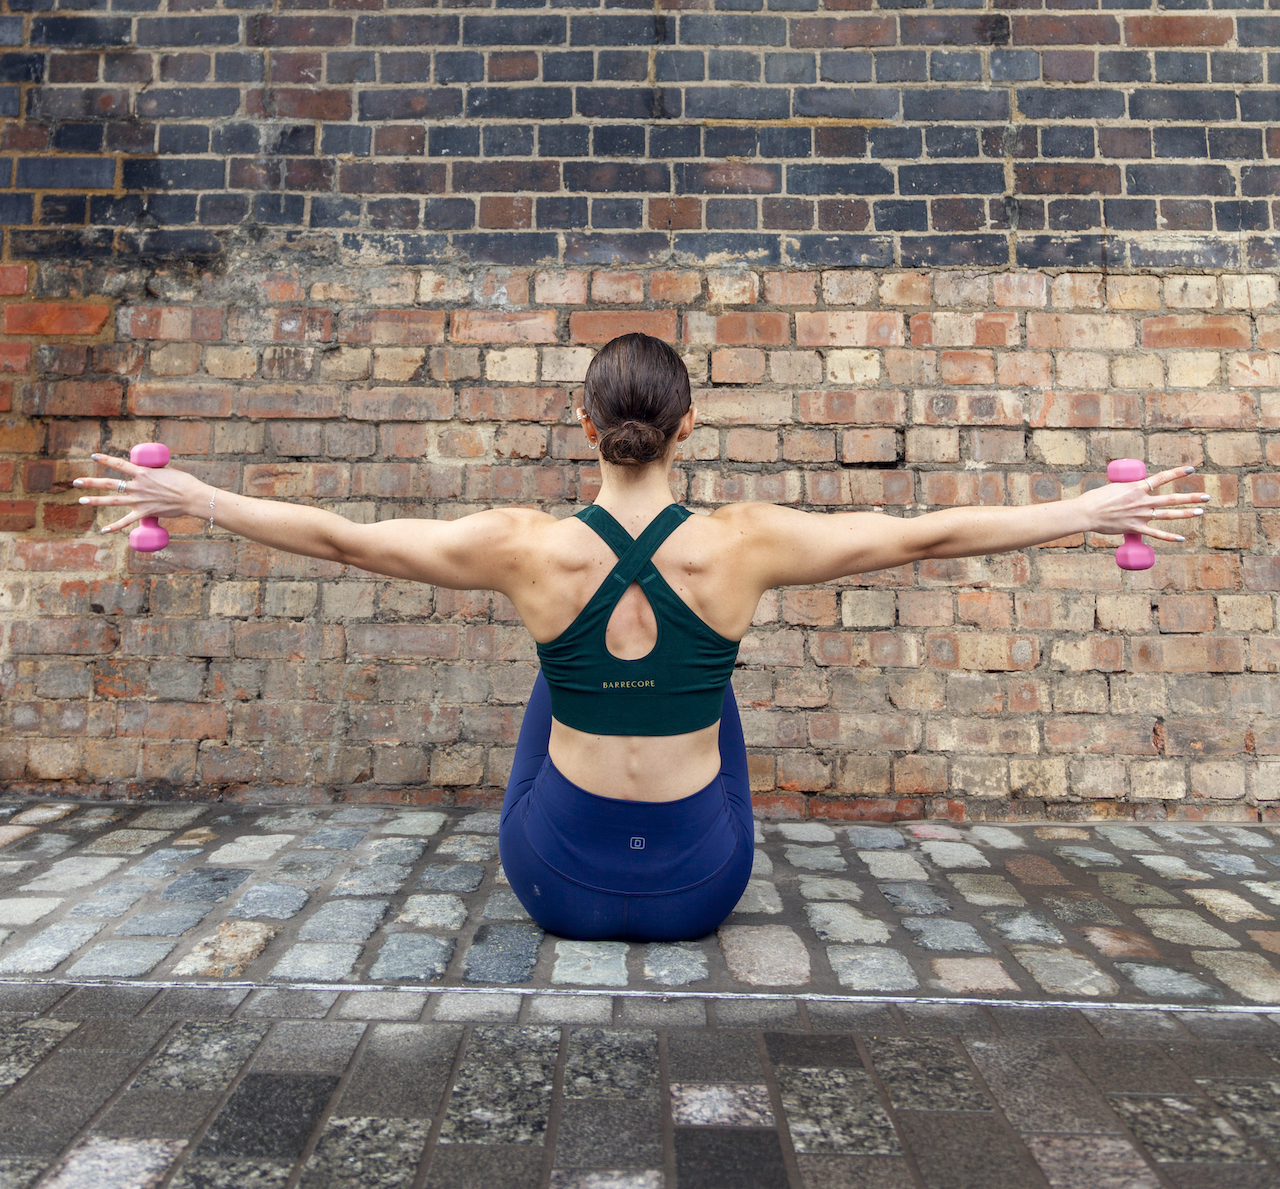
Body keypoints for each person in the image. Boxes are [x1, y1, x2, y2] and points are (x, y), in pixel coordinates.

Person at [74, 331, 1205, 943]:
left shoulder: (524, 546)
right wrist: (1085, 513)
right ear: (686, 427)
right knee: (706, 678)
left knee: (559, 665)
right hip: (699, 889)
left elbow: (348, 540)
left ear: (583, 424)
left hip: (552, 882)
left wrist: (201, 502)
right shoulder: (744, 542)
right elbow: (921, 537)